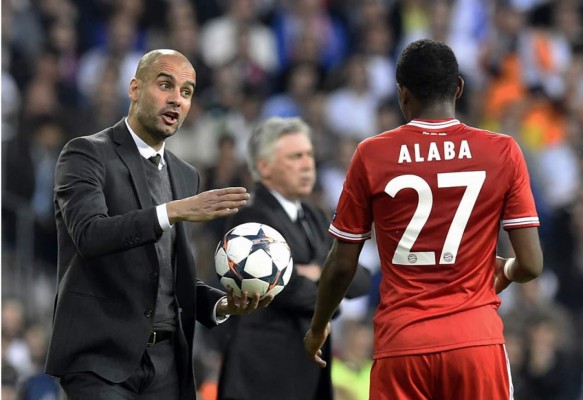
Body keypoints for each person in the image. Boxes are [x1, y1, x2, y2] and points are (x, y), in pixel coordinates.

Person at [304, 39, 544, 400]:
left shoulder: (371, 154)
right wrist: (505, 271)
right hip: (475, 342)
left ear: (402, 95)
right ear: (459, 88)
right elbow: (531, 264)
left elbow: (341, 265)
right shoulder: (502, 151)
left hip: (402, 344)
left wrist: (318, 327)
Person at [44, 49, 272, 400]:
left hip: (167, 364)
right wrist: (170, 211)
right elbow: (90, 235)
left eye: (186, 91)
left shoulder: (185, 174)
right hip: (100, 362)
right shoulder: (86, 154)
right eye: (165, 85)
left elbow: (168, 274)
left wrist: (220, 304)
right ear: (134, 89)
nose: (176, 100)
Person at [217, 117, 371, 400]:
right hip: (262, 376)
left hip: (306, 375)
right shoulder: (251, 218)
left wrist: (313, 274)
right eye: (295, 157)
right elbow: (287, 291)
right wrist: (329, 281)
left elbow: (360, 278)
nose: (307, 164)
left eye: (310, 155)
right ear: (264, 166)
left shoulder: (313, 215)